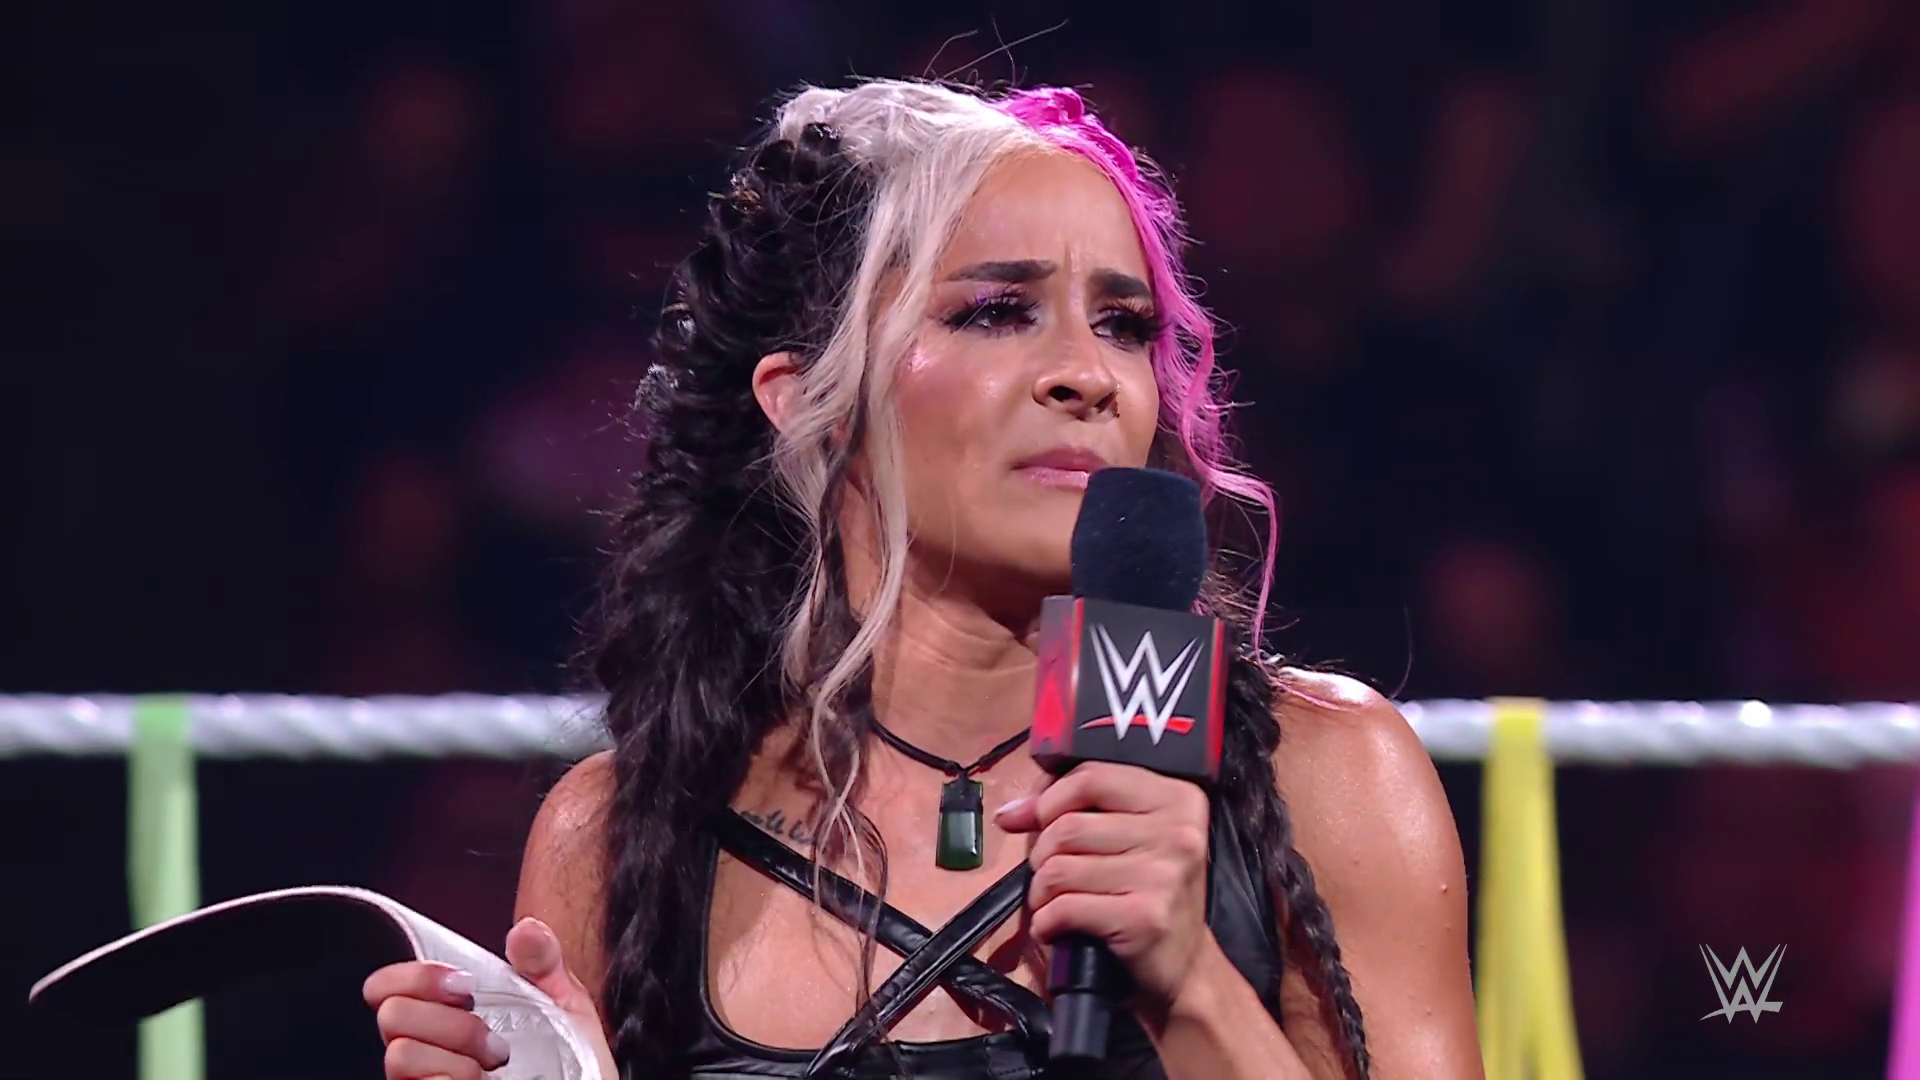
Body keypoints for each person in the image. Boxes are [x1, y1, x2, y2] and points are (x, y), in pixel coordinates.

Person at [362, 78, 1481, 1080]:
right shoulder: (623, 835)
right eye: (996, 311)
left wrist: (1190, 987)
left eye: (1124, 324)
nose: (1087, 374)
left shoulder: (1323, 776)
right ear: (811, 400)